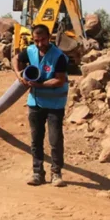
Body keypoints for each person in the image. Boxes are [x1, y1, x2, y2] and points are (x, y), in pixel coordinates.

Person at [11, 24, 69, 187]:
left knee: (55, 139)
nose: (39, 43)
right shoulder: (30, 51)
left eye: (42, 39)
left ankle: (56, 173)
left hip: (55, 104)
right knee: (36, 139)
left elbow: (59, 79)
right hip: (35, 103)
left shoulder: (58, 56)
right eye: (36, 40)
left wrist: (39, 85)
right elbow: (16, 58)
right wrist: (18, 74)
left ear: (49, 37)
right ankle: (38, 173)